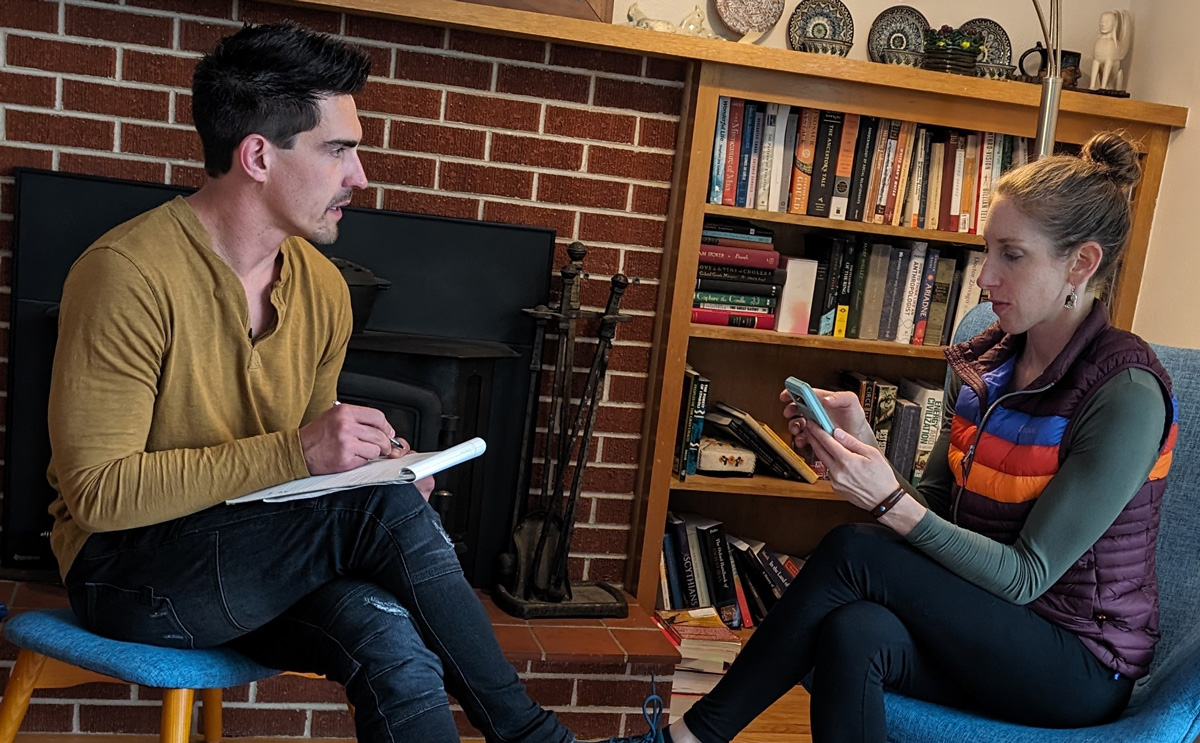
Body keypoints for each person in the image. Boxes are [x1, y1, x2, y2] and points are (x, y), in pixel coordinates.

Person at [47, 23, 580, 743]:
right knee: (380, 517)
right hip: (128, 574)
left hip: (254, 561)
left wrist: (373, 467)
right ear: (259, 156)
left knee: (391, 639)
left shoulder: (321, 287)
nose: (360, 176)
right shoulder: (126, 274)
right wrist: (304, 452)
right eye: (339, 149)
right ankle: (529, 735)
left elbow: (303, 483)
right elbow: (100, 493)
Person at [604, 131, 1178, 743]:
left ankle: (687, 739)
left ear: (1081, 264)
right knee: (855, 631)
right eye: (987, 251)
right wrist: (866, 448)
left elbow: (1024, 575)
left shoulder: (1126, 394)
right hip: (986, 621)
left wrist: (885, 502)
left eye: (1012, 255)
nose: (985, 277)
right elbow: (934, 507)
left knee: (857, 550)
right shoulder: (991, 366)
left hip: (1078, 662)